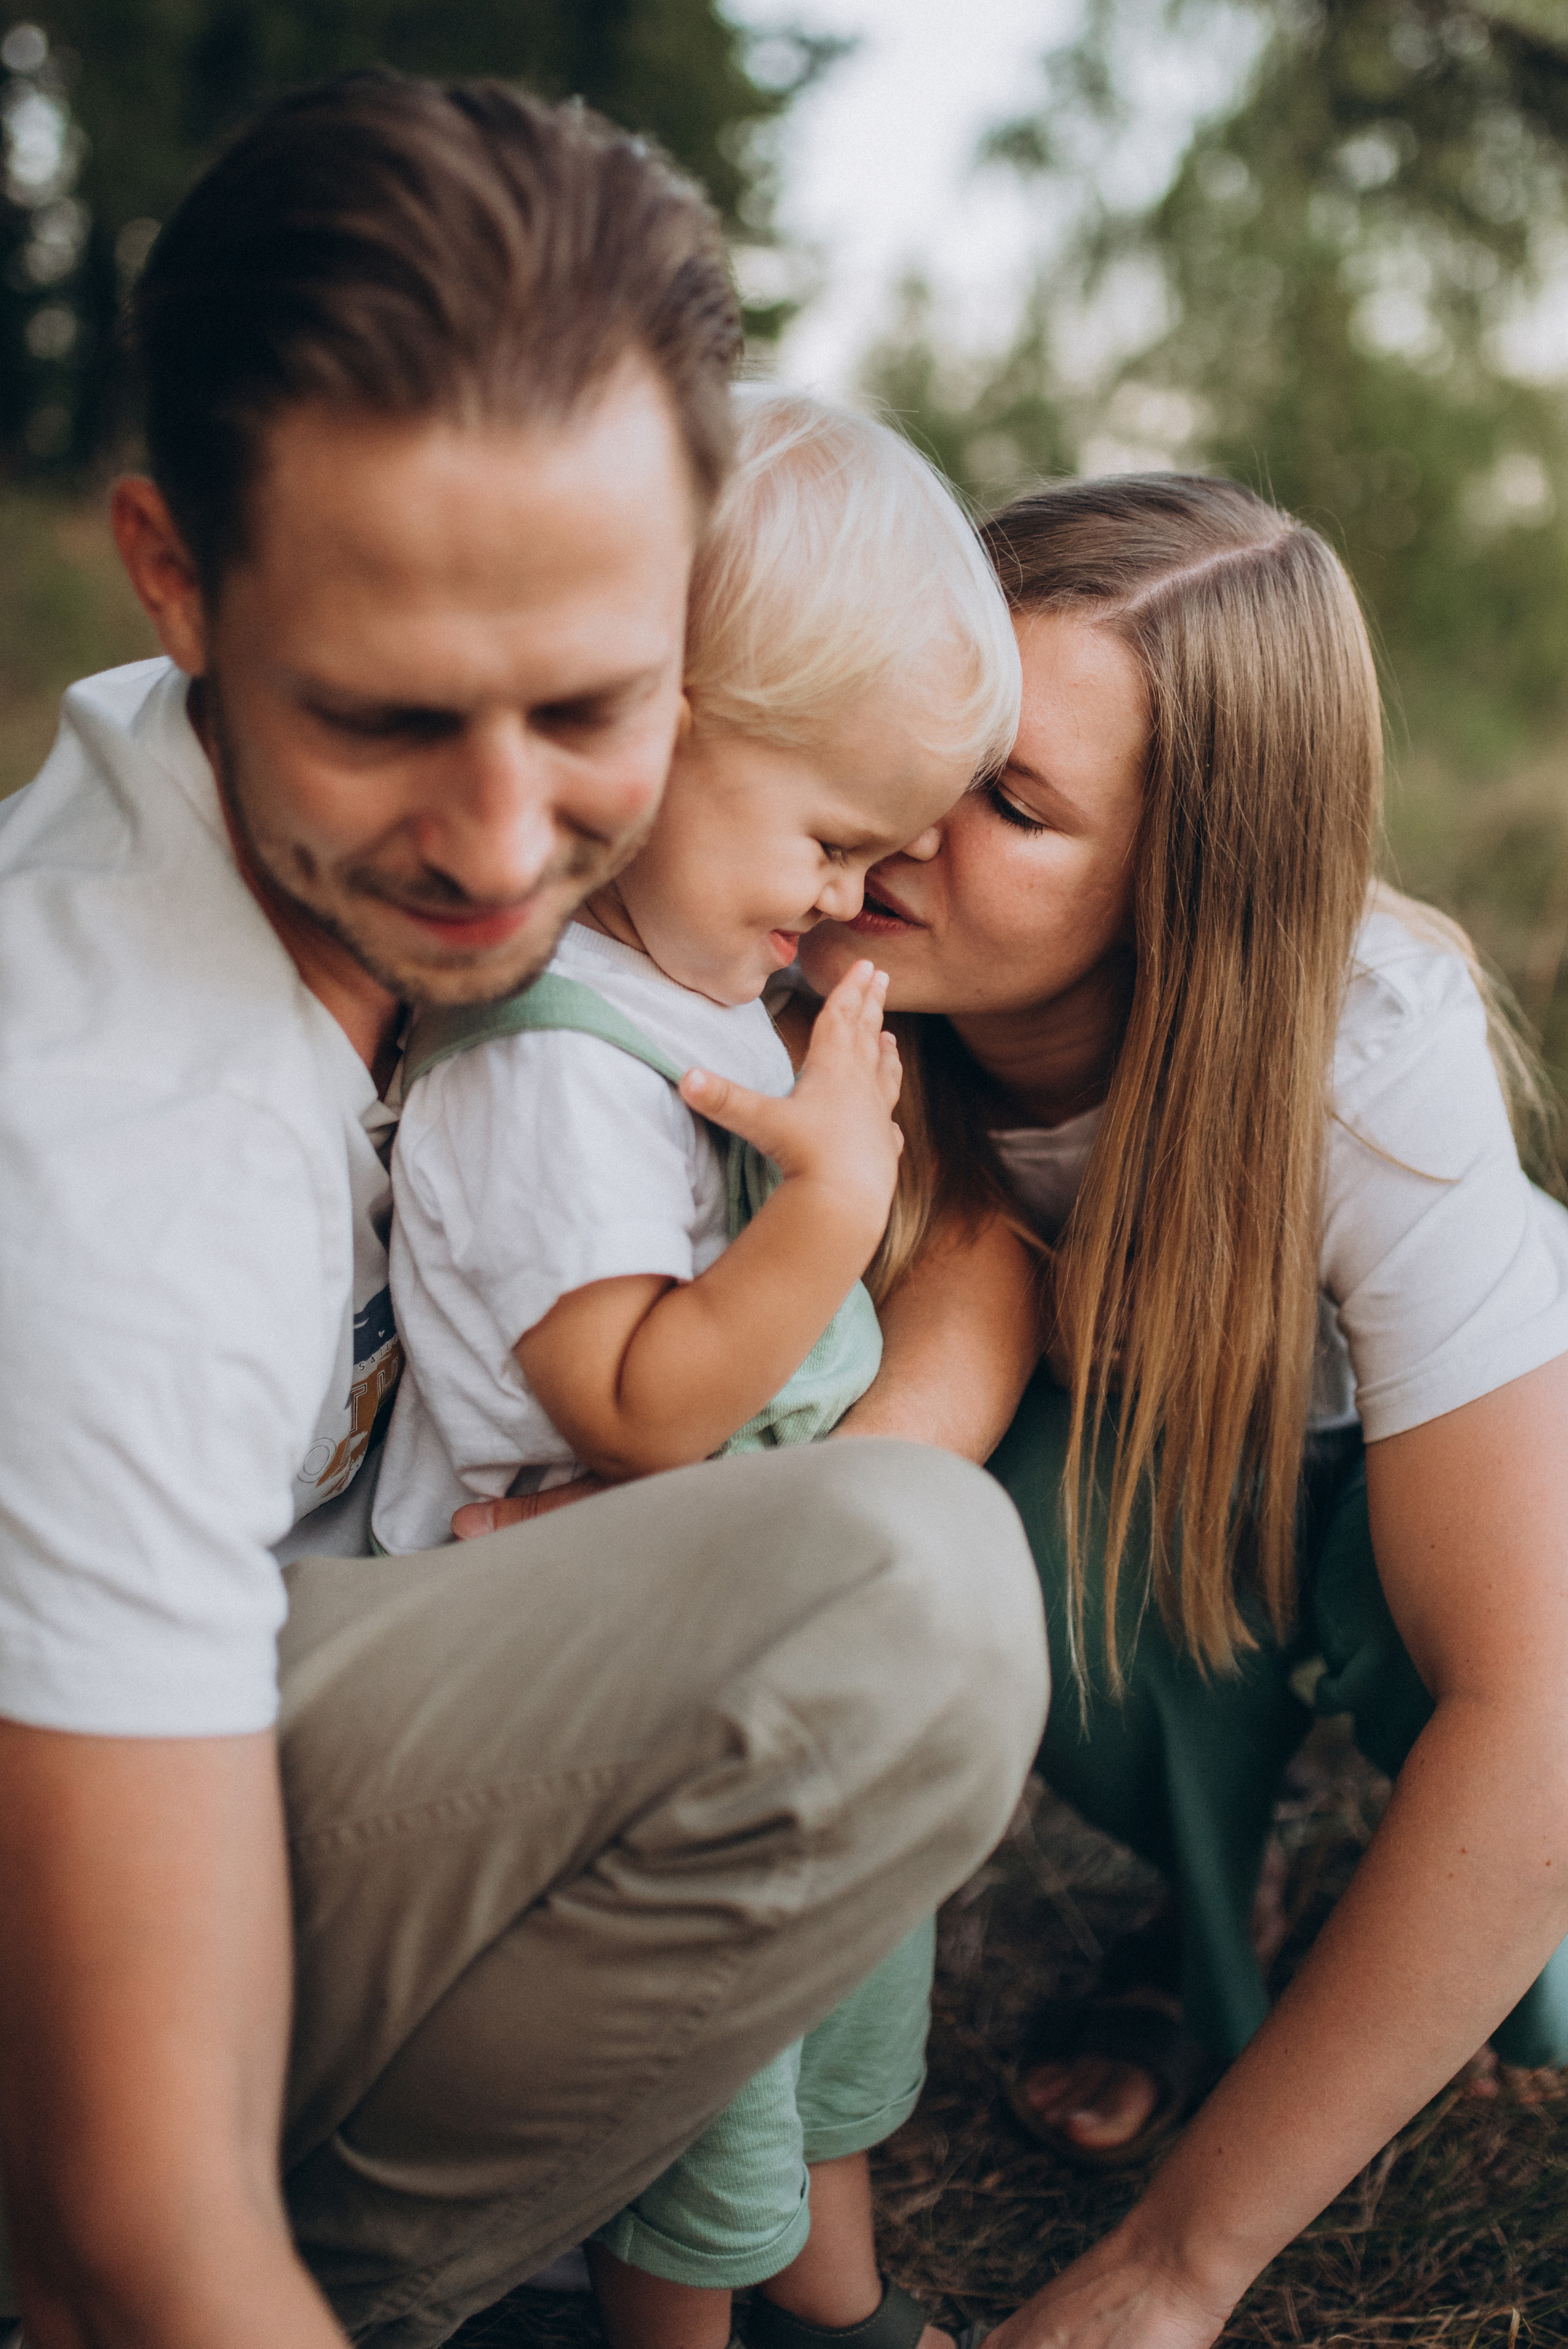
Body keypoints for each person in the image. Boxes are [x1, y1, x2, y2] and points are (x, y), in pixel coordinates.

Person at [0, 75, 1050, 2349]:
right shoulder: (114, 1159)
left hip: (253, 1728)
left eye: (588, 705)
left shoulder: (556, 898)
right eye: (387, 713)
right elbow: (131, 2222)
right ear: (175, 569)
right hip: (67, 2001)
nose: (498, 843)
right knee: (903, 1604)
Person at [791, 473, 1568, 2346]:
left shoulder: (1364, 1048)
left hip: (1414, 1449)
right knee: (1023, 1569)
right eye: (936, 734)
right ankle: (1209, 1915)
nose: (907, 820)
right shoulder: (791, 910)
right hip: (1142, 1450)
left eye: (1018, 802)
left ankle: (1342, 1935)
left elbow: (1530, 1695)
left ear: (1190, 881)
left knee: (1518, 1927)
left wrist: (1172, 2268)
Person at [372, 384, 1031, 2349]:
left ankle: (837, 2303)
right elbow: (639, 1401)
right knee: (701, 2066)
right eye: (832, 838)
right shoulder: (555, 1059)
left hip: (753, 1635)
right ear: (657, 731)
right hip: (606, 1684)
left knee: (826, 2002)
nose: (847, 898)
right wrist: (832, 1202)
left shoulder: (692, 992)